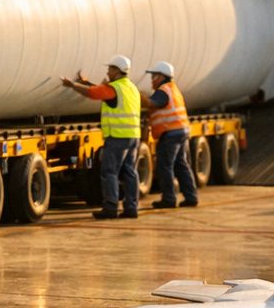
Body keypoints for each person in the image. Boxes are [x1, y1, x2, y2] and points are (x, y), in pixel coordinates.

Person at [62, 54, 141, 219]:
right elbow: (101, 91)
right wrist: (85, 82)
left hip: (117, 137)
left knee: (109, 172)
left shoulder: (114, 88)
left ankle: (111, 207)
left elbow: (93, 93)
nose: (107, 71)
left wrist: (72, 85)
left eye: (109, 69)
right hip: (133, 137)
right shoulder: (130, 87)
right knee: (130, 172)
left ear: (116, 70)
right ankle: (131, 208)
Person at [142, 61, 199, 209]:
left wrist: (136, 95)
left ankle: (168, 198)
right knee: (181, 165)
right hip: (181, 130)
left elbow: (151, 103)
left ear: (161, 76)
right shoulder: (173, 89)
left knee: (164, 166)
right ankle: (191, 197)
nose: (152, 79)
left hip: (170, 133)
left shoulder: (163, 90)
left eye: (154, 76)